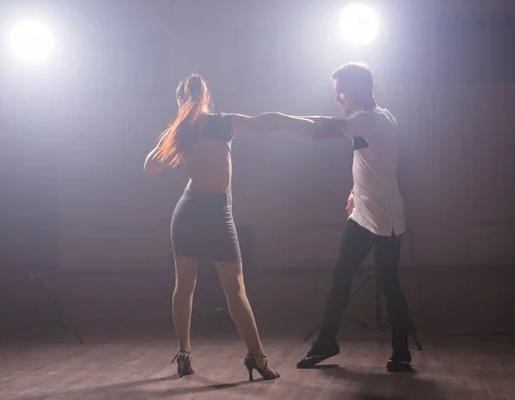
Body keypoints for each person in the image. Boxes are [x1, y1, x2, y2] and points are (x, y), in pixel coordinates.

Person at [143, 73, 324, 381]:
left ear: (183, 100)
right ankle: (202, 355)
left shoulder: (210, 124)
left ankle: (253, 356)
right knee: (210, 288)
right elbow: (263, 122)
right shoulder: (199, 126)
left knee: (220, 289)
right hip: (199, 212)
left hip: (204, 212)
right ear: (205, 98)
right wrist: (173, 136)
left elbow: (262, 122)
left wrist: (299, 122)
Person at [294, 62, 413, 372]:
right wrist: (352, 191)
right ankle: (326, 343)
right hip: (361, 212)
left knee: (389, 285)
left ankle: (401, 352)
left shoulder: (372, 120)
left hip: (385, 217)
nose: (338, 99)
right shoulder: (369, 121)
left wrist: (274, 122)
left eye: (341, 92)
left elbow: (319, 130)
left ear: (360, 89)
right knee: (340, 275)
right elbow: (369, 160)